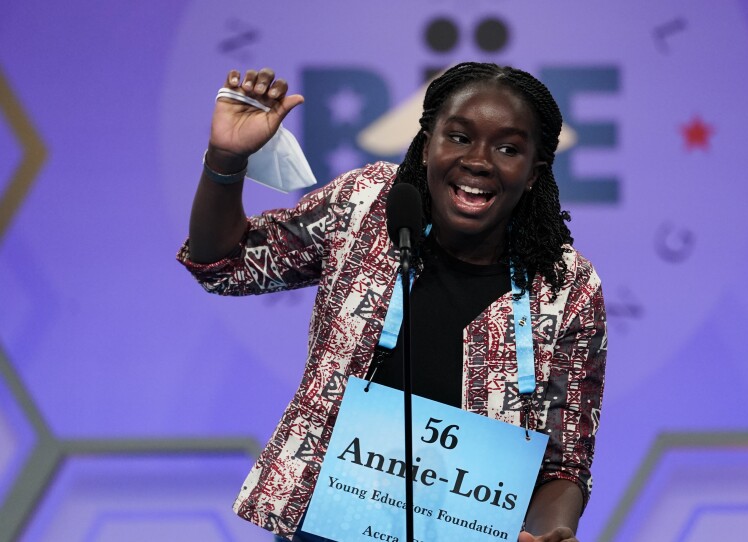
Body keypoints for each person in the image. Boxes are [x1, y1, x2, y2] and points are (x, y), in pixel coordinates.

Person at [178, 63, 607, 542]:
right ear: (427, 147)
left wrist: (554, 532)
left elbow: (563, 462)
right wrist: (225, 158)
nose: (479, 160)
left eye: (508, 148)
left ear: (533, 173)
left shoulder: (567, 285)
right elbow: (225, 264)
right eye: (460, 137)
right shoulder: (365, 206)